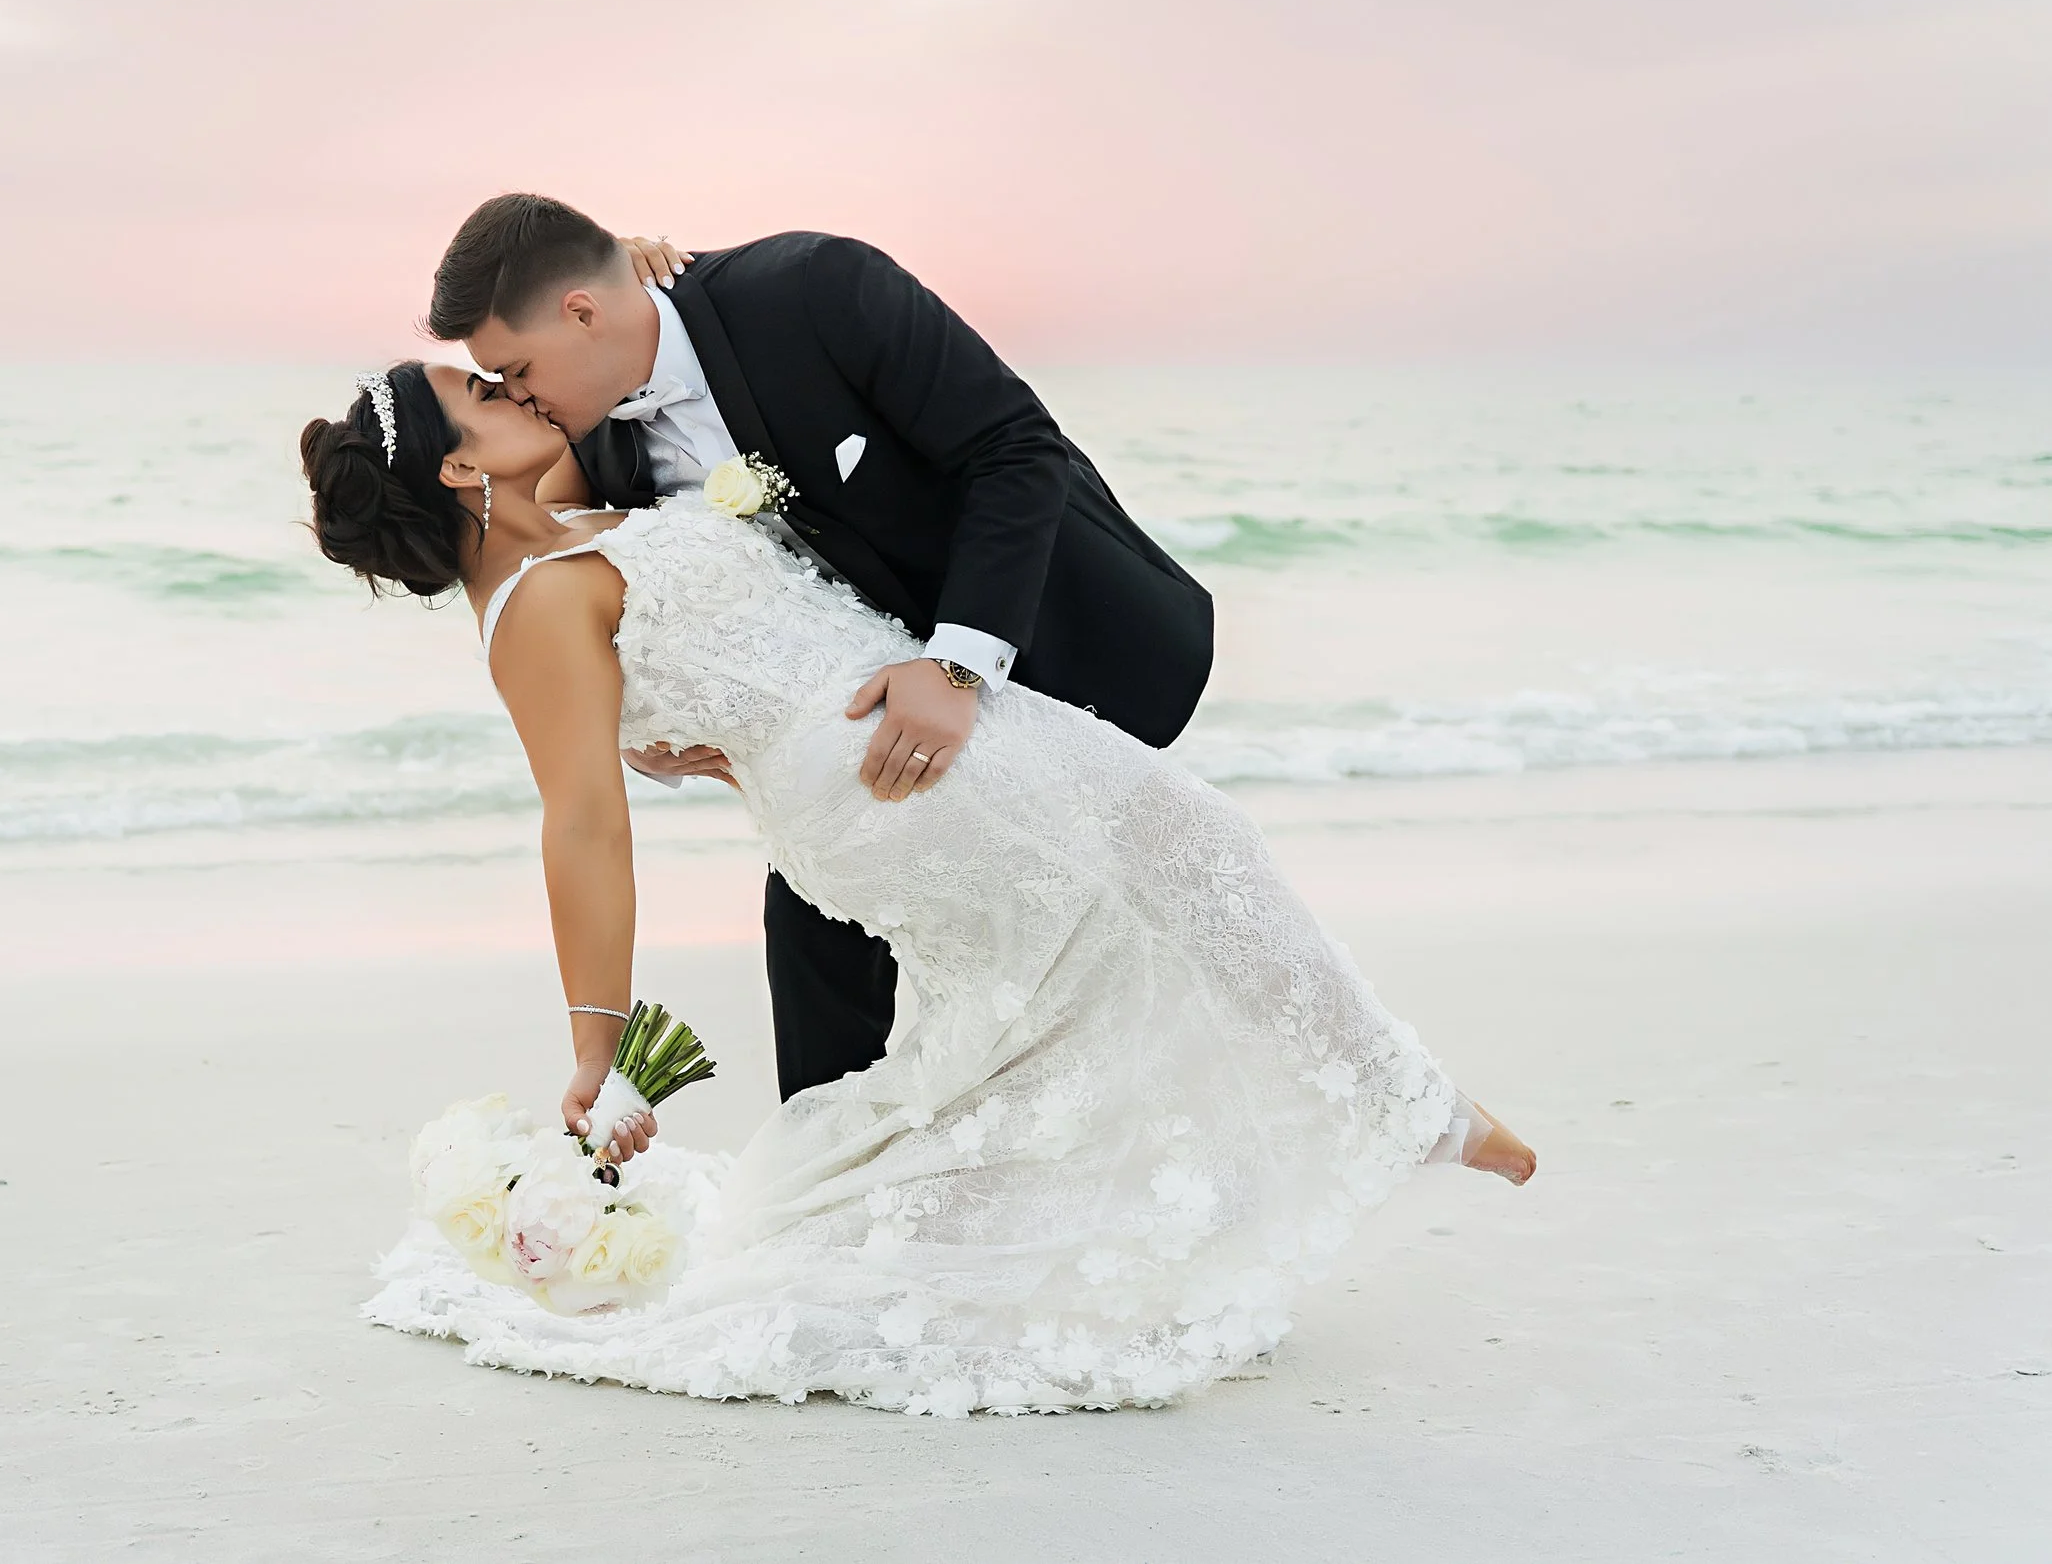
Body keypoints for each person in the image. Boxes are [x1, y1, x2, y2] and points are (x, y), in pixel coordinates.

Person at [297, 344, 1534, 1415]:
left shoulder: (558, 525)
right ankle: (1404, 1102)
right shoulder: (528, 608)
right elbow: (582, 826)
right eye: (480, 391)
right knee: (1188, 859)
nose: (511, 386)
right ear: (463, 467)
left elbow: (665, 522)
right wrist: (594, 1043)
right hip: (893, 783)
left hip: (898, 750)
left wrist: (649, 264)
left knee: (1051, 995)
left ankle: (1326, 1137)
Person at [430, 195, 1216, 1107]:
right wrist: (647, 726)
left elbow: (1014, 447)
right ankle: (832, 1201)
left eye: (516, 369)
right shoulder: (599, 435)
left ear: (581, 311)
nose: (518, 394)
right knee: (816, 954)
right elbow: (601, 592)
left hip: (1057, 648)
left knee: (1149, 927)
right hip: (856, 736)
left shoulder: (812, 288)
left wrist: (956, 663)